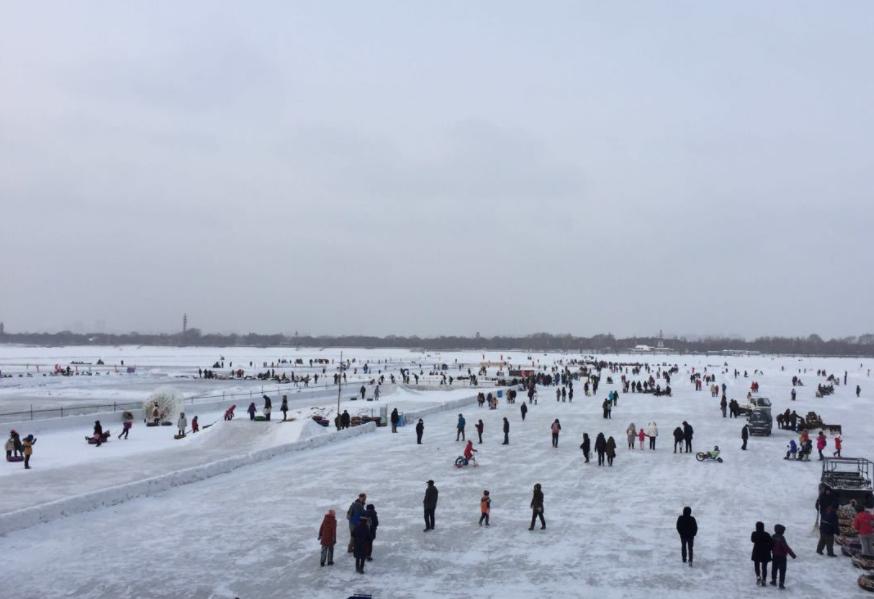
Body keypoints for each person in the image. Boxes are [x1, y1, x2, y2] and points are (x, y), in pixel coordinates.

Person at [770, 524, 796, 589]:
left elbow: (770, 545)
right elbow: (786, 547)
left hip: (775, 555)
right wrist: (792, 554)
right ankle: (781, 583)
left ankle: (773, 580)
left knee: (774, 569)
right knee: (782, 570)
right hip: (782, 557)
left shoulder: (773, 537)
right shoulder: (781, 538)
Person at [751, 521, 773, 587]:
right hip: (765, 552)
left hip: (756, 551)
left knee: (756, 565)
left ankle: (758, 577)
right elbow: (771, 543)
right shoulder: (766, 534)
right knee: (764, 567)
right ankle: (764, 580)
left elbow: (752, 540)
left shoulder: (754, 533)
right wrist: (769, 549)